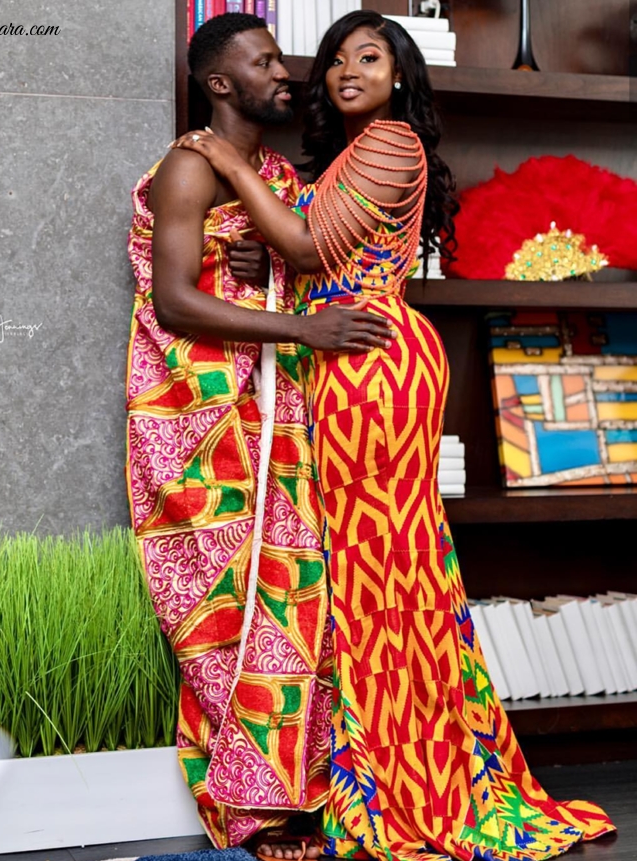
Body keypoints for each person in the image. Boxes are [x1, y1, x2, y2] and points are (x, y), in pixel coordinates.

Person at [174, 10, 616, 861]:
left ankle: (411, 779)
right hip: (336, 357)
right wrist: (266, 255)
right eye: (336, 57)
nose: (347, 69)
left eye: (369, 57)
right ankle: (370, 773)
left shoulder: (391, 144)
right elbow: (303, 253)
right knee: (355, 573)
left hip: (370, 364)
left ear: (401, 76)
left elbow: (306, 245)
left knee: (382, 570)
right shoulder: (346, 156)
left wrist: (227, 161)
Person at [125, 12, 395, 855]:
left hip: (273, 414)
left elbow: (294, 256)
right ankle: (254, 807)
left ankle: (289, 790)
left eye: (282, 58)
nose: (288, 72)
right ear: (218, 83)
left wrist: (263, 267)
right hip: (193, 421)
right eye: (266, 61)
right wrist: (304, 330)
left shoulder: (270, 172)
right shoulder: (187, 165)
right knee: (221, 609)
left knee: (288, 602)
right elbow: (173, 301)